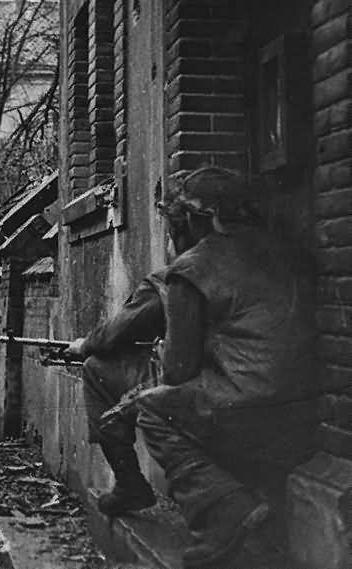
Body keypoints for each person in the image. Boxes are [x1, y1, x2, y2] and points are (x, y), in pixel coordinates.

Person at [132, 166, 318, 568]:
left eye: (181, 219)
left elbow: (177, 373)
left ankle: (224, 514)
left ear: (204, 217)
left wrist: (166, 349)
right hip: (307, 415)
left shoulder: (192, 267)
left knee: (152, 407)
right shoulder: (290, 248)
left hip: (249, 417)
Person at [76, 269, 168, 516]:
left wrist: (84, 345)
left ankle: (129, 482)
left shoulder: (173, 279)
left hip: (192, 389)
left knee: (95, 369)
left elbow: (115, 333)